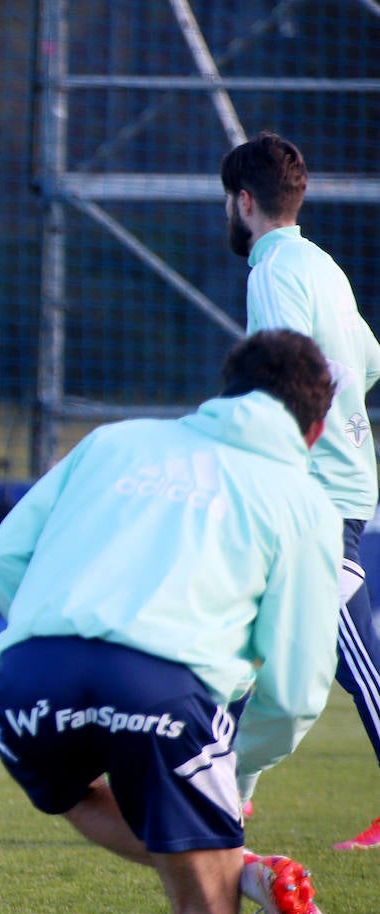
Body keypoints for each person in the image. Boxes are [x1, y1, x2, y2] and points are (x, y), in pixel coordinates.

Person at [0, 329, 351, 914]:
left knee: (68, 793)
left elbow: (7, 554)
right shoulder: (303, 502)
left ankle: (249, 869)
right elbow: (294, 693)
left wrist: (50, 639)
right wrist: (228, 765)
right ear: (314, 432)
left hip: (30, 678)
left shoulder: (115, 440)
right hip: (165, 693)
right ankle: (236, 864)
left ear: (223, 394)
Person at [222, 130, 380, 851]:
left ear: (243, 201)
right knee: (240, 631)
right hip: (336, 476)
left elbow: (280, 376)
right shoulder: (324, 264)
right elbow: (368, 360)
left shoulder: (271, 269)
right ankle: (228, 788)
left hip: (315, 490)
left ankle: (221, 779)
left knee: (350, 654)